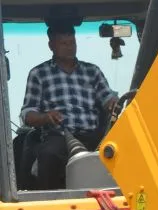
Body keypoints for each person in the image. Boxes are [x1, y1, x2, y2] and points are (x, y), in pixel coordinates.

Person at [20, 20, 118, 189]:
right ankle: (48, 203)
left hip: (94, 136)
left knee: (121, 151)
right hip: (58, 136)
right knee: (48, 154)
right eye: (64, 43)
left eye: (72, 42)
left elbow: (107, 98)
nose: (69, 47)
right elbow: (28, 113)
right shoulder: (39, 74)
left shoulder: (92, 71)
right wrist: (46, 117)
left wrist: (113, 103)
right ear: (51, 45)